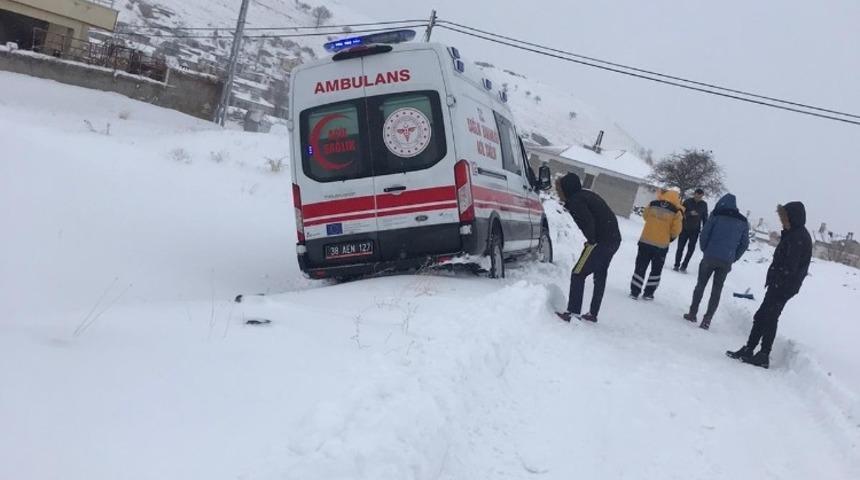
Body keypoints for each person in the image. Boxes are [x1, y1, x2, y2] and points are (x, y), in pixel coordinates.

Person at [727, 202, 812, 368]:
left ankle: (764, 354)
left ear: (793, 217)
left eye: (785, 217)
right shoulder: (792, 233)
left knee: (770, 317)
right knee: (762, 316)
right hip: (779, 284)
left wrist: (778, 281)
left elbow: (791, 266)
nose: (782, 220)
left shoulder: (798, 237)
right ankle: (750, 349)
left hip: (784, 286)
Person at [555, 173, 622, 323]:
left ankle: (573, 312)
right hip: (613, 239)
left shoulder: (576, 201)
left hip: (601, 241)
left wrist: (591, 241)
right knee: (600, 274)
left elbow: (588, 222)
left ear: (566, 189)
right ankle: (593, 313)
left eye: (559, 189)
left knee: (577, 273)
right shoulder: (586, 195)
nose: (558, 193)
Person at [682, 193, 749, 330]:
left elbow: (704, 233)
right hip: (726, 260)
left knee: (700, 285)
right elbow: (744, 244)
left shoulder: (716, 215)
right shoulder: (742, 221)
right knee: (717, 290)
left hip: (710, 256)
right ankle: (707, 319)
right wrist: (734, 257)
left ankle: (692, 313)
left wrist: (705, 249)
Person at [630, 189, 683, 300]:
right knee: (656, 270)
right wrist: (669, 238)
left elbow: (645, 216)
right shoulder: (676, 211)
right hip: (661, 245)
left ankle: (635, 291)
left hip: (645, 241)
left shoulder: (653, 204)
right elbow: (676, 230)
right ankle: (648, 293)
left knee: (640, 267)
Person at [674, 188, 709, 272]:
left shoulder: (704, 205)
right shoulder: (687, 202)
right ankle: (676, 265)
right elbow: (680, 213)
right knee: (680, 248)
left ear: (702, 196)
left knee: (691, 249)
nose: (698, 198)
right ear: (694, 194)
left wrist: (705, 230)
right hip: (684, 228)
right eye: (697, 196)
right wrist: (689, 213)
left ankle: (684, 266)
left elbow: (705, 218)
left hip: (695, 230)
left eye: (700, 197)